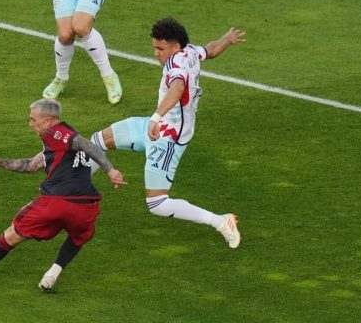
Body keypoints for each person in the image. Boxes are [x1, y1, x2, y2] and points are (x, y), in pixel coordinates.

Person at [89, 17, 245, 248]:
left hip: (167, 139)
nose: (156, 54)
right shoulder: (190, 51)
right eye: (154, 48)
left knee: (158, 203)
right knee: (96, 142)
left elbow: (177, 89)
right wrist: (227, 39)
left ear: (175, 46)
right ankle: (72, 191)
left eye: (160, 49)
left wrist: (155, 118)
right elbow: (210, 50)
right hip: (154, 127)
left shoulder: (176, 66)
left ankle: (221, 222)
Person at [0, 98, 127, 291]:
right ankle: (51, 276)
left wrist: (110, 170)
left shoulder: (57, 133)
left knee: (11, 235)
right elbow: (30, 165)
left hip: (55, 203)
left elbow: (89, 146)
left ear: (49, 120)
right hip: (85, 208)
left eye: (34, 120)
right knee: (77, 238)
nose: (30, 124)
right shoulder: (57, 144)